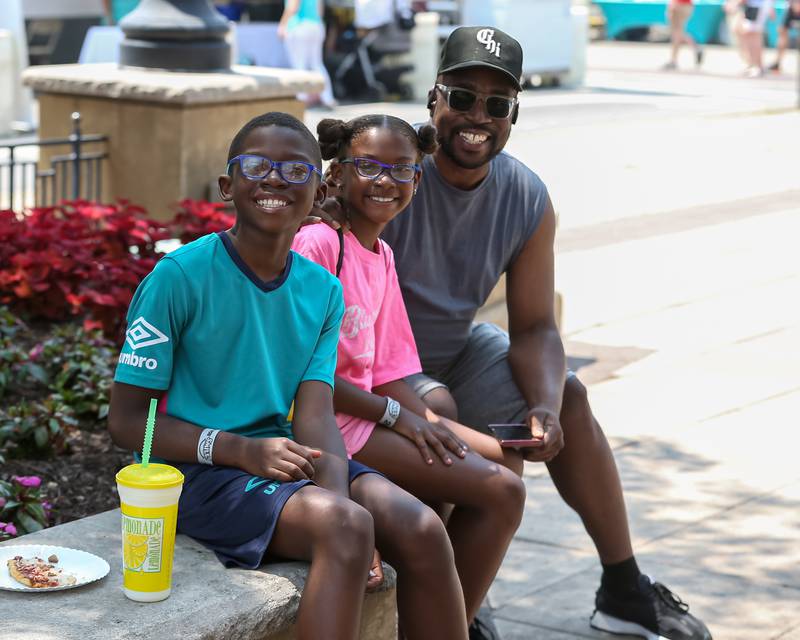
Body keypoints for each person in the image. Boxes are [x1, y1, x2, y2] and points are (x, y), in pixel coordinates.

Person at [376, 27, 714, 640]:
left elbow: (534, 326)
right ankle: (458, 610)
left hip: (453, 348)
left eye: (497, 105)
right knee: (486, 450)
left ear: (513, 117)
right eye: (462, 96)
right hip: (382, 368)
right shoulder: (394, 172)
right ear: (433, 99)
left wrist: (542, 405)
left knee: (565, 400)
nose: (477, 116)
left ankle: (624, 587)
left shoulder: (526, 195)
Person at [107, 112, 468, 640]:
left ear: (320, 189)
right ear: (228, 186)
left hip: (282, 462)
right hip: (196, 474)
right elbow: (127, 422)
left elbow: (317, 415)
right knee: (345, 529)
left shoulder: (322, 291)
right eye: (256, 166)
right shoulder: (178, 277)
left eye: (296, 171)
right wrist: (239, 451)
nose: (275, 179)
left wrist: (336, 493)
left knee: (422, 528)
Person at [293, 114, 526, 639]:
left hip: (364, 415)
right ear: (337, 176)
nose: (385, 180)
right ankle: (449, 623)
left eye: (401, 169)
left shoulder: (383, 255)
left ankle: (447, 614)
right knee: (502, 494)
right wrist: (401, 418)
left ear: (417, 182)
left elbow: (391, 371)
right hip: (321, 428)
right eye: (368, 166)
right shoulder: (319, 245)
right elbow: (305, 375)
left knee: (501, 460)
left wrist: (438, 428)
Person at [278, 0, 337, 108]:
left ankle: (301, 99)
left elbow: (293, 6)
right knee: (317, 64)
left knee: (299, 65)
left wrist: (282, 24)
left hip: (299, 26)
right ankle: (328, 98)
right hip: (316, 25)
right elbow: (320, 11)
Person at [735, 0, 775, 76]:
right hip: (755, 5)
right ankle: (754, 65)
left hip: (758, 5)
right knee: (747, 33)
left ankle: (756, 66)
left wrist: (736, 3)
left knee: (754, 35)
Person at [662, 0, 704, 70]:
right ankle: (695, 48)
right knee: (678, 32)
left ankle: (673, 60)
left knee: (676, 33)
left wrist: (673, 4)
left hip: (679, 5)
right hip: (687, 6)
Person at [768, 0, 800, 72]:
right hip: (792, 7)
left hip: (794, 5)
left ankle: (777, 62)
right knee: (782, 31)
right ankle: (777, 62)